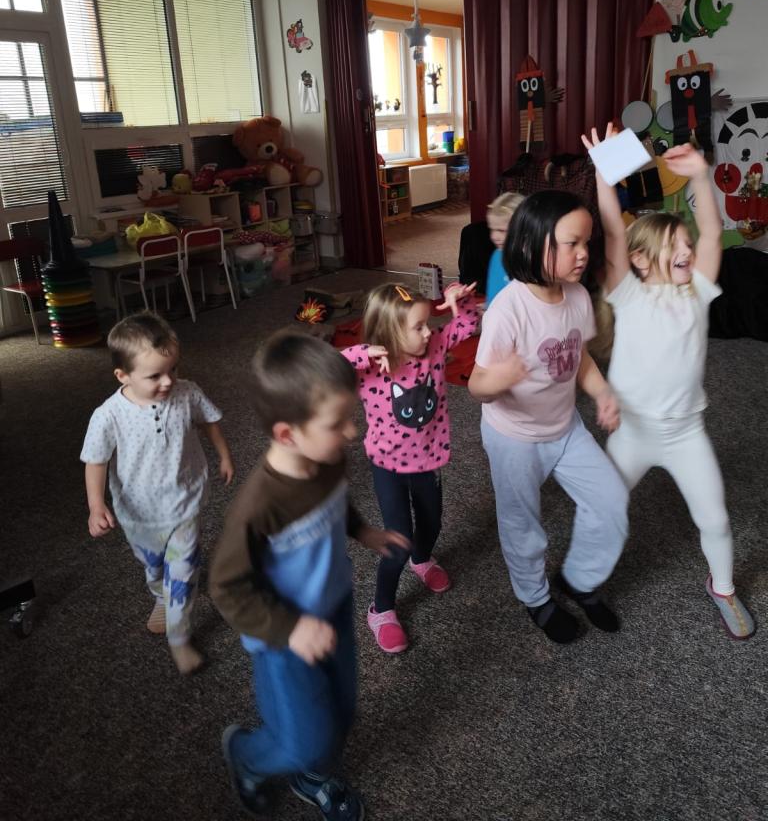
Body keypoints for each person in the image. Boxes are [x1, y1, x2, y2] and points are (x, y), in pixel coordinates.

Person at [210, 331, 407, 821]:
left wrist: (363, 531)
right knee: (301, 740)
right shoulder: (259, 507)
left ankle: (313, 774)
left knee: (342, 708)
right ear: (287, 434)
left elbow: (336, 502)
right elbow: (227, 588)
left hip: (333, 606)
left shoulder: (327, 458)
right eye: (337, 423)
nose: (353, 433)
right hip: (282, 635)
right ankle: (246, 754)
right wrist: (292, 628)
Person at [583, 124, 755, 640]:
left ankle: (723, 588)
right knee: (604, 512)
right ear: (639, 259)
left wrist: (701, 176)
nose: (686, 250)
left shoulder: (697, 290)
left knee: (715, 520)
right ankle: (586, 581)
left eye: (686, 243)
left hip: (685, 433)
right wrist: (603, 173)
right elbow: (614, 232)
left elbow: (711, 231)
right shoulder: (628, 292)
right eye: (673, 244)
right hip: (633, 432)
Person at [468, 190, 628, 644]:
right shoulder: (508, 309)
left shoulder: (577, 297)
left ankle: (579, 579)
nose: (584, 253)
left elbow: (580, 358)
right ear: (531, 244)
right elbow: (476, 385)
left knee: (610, 500)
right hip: (514, 436)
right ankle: (535, 597)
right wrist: (499, 379)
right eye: (571, 243)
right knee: (522, 525)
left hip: (565, 427)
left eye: (587, 242)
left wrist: (601, 392)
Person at [81, 312, 233, 674]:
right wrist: (96, 505)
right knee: (154, 567)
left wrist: (224, 454)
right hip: (138, 512)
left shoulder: (187, 392)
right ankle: (159, 595)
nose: (167, 381)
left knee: (182, 570)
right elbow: (96, 461)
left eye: (173, 370)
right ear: (123, 375)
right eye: (154, 376)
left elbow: (209, 420)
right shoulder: (108, 416)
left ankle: (180, 639)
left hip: (184, 502)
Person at [341, 281, 479, 653]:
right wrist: (363, 352)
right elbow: (324, 367)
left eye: (427, 323)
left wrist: (460, 299)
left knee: (432, 524)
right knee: (398, 542)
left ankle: (423, 559)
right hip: (387, 467)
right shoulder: (370, 367)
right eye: (417, 327)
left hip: (428, 460)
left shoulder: (435, 346)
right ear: (388, 334)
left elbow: (467, 325)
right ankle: (381, 609)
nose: (428, 331)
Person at [485, 192, 525, 305]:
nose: (494, 237)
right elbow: (493, 295)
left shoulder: (537, 260)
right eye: (492, 229)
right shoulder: (497, 256)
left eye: (502, 231)